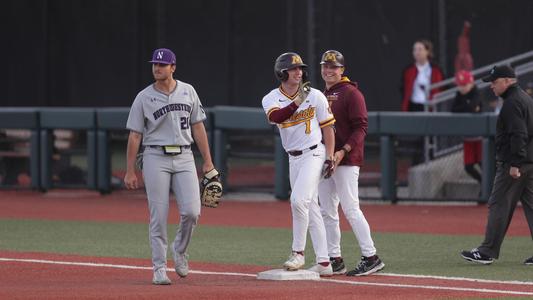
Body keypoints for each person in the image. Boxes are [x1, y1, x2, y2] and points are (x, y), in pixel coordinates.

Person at [124, 48, 216, 284]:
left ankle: (180, 250)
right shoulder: (143, 97)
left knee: (192, 212)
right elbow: (135, 135)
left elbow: (198, 127)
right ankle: (159, 268)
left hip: (185, 156)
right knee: (159, 215)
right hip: (155, 157)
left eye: (162, 64)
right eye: (155, 64)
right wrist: (130, 170)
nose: (157, 68)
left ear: (173, 67)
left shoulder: (188, 91)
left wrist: (207, 160)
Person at [262, 52, 336, 276]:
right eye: (293, 69)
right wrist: (297, 102)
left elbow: (328, 127)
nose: (298, 72)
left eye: (300, 69)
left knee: (298, 201)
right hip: (293, 158)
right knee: (311, 207)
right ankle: (324, 263)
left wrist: (331, 155)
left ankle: (298, 253)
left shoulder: (315, 96)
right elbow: (277, 118)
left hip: (314, 153)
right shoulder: (271, 98)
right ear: (281, 72)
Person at [318, 50, 385, 276]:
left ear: (342, 70)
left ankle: (371, 256)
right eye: (325, 66)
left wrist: (342, 151)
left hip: (346, 160)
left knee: (350, 208)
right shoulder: (320, 94)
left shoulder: (351, 93)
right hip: (326, 158)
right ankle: (334, 258)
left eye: (333, 67)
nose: (328, 70)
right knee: (327, 210)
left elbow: (361, 128)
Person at [461, 65, 533, 266]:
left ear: (508, 80)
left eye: (495, 81)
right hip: (529, 162)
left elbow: (518, 134)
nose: (492, 86)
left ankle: (487, 251)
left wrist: (515, 163)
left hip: (515, 164)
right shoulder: (525, 98)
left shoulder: (512, 102)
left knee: (498, 204)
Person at [451, 70, 482, 185]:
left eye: (465, 85)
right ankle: (483, 183)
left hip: (480, 137)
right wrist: (468, 106)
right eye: (460, 85)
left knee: (483, 163)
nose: (462, 88)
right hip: (467, 137)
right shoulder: (459, 95)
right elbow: (454, 110)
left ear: (471, 83)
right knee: (468, 166)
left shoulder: (476, 92)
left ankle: (490, 188)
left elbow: (473, 106)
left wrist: (468, 107)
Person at [400, 39, 444, 112]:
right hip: (412, 106)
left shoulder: (435, 70)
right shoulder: (408, 70)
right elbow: (403, 88)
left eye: (420, 49)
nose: (417, 52)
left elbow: (441, 87)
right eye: (415, 50)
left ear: (427, 52)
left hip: (430, 107)